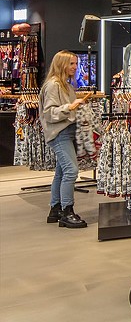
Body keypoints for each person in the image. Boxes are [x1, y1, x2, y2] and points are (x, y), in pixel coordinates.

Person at [40, 50, 87, 228]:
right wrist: (71, 106)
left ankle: (56, 209)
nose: (75, 67)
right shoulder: (54, 85)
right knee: (71, 171)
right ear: (62, 65)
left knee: (61, 172)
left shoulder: (65, 85)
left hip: (65, 132)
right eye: (71, 64)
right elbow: (49, 113)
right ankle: (67, 211)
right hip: (59, 134)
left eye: (76, 64)